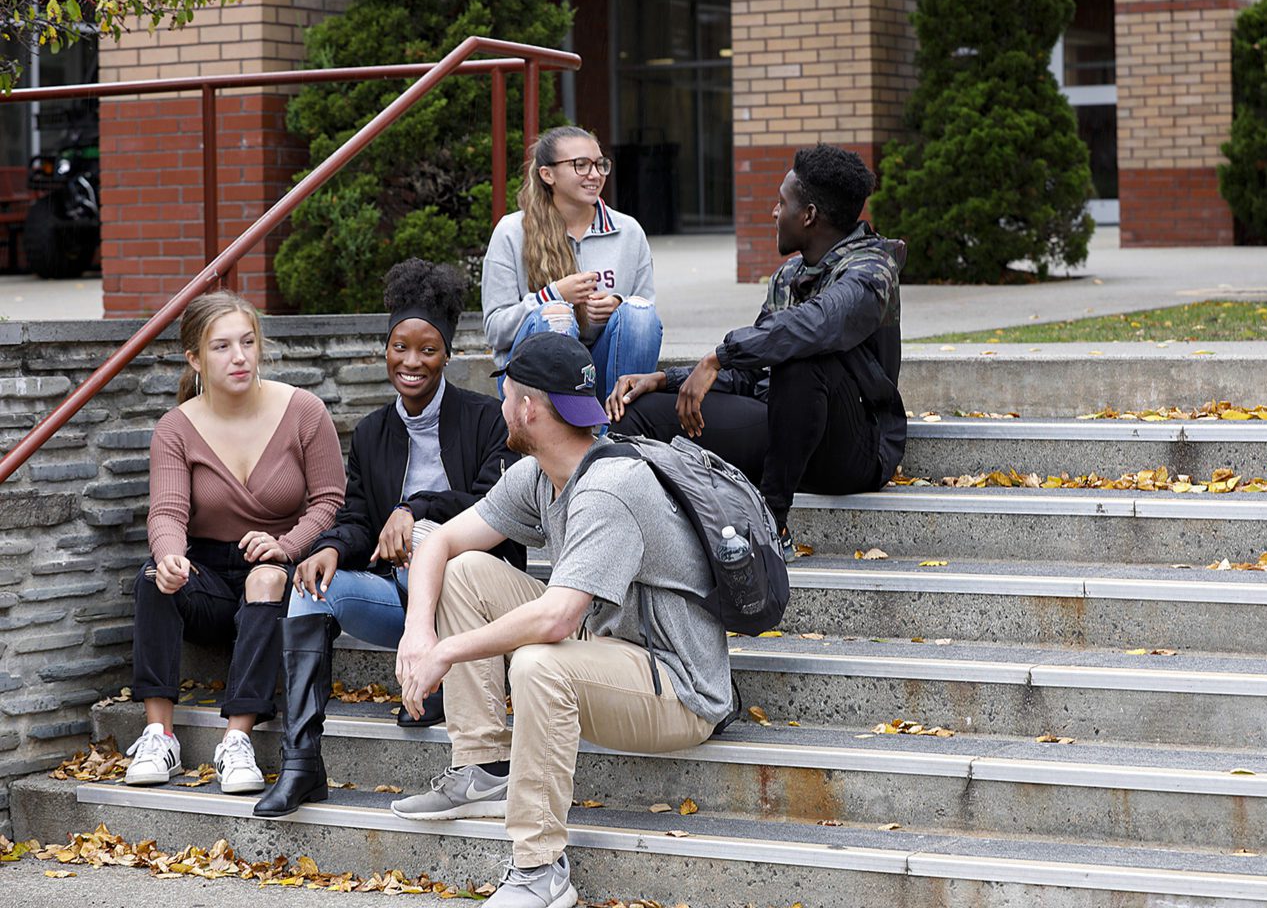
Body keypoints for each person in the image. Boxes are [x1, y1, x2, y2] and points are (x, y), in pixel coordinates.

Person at [392, 332, 732, 908]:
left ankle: (540, 869)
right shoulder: (542, 472)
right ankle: (484, 767)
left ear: (527, 407)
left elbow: (556, 618)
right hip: (608, 646)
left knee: (539, 665)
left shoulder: (609, 487)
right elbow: (440, 541)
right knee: (466, 569)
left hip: (676, 686)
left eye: (506, 395)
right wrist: (418, 630)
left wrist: (447, 653)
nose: (500, 406)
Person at [253, 259, 526, 817]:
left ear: (447, 354)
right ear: (386, 348)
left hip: (474, 598)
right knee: (310, 589)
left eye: (427, 350)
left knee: (430, 540)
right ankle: (302, 763)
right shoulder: (374, 431)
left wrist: (414, 510)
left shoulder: (487, 420)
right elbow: (357, 518)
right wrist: (329, 547)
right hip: (399, 600)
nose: (411, 362)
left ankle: (440, 689)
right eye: (400, 346)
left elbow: (494, 507)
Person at [606, 143, 905, 551]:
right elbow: (749, 372)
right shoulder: (788, 276)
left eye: (781, 203)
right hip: (782, 430)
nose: (774, 213)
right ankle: (646, 540)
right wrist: (665, 380)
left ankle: (771, 525)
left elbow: (816, 325)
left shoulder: (872, 272)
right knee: (638, 414)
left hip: (851, 449)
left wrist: (718, 355)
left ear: (809, 215)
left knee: (800, 361)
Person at [125, 290, 344, 796]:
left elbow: (330, 500)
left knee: (266, 581)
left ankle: (237, 741)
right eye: (221, 347)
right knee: (152, 577)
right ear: (195, 359)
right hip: (205, 573)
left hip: (273, 569)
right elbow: (167, 511)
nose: (239, 356)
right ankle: (159, 733)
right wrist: (170, 557)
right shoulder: (177, 429)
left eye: (247, 341)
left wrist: (287, 547)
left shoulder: (303, 411)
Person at [481, 125, 662, 402]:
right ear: (547, 174)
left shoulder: (628, 231)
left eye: (600, 164)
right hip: (531, 380)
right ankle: (559, 433)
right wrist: (552, 296)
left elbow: (646, 317)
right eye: (581, 165)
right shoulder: (512, 231)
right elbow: (496, 330)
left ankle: (621, 430)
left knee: (638, 313)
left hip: (602, 368)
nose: (594, 174)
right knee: (555, 315)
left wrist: (617, 306)